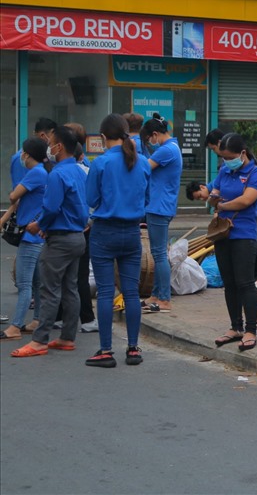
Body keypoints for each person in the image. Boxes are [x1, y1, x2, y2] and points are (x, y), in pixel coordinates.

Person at [11, 126, 89, 358]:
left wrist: (40, 225)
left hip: (61, 239)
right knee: (70, 288)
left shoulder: (57, 174)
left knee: (48, 289)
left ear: (59, 147)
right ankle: (67, 336)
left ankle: (39, 340)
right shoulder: (78, 170)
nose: (48, 147)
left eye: (51, 143)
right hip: (77, 236)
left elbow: (51, 207)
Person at [84, 114, 151, 368]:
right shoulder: (142, 162)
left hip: (104, 232)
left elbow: (91, 199)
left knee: (105, 292)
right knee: (131, 292)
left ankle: (105, 350)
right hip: (132, 232)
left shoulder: (100, 163)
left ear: (103, 137)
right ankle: (133, 349)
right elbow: (146, 198)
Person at [209, 133, 257, 353]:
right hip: (223, 233)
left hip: (244, 233)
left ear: (242, 153)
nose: (226, 162)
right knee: (229, 282)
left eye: (230, 157)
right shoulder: (224, 171)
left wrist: (221, 206)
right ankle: (236, 327)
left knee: (244, 282)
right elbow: (214, 192)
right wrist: (213, 197)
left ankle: (251, 330)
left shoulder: (256, 173)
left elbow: (247, 200)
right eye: (223, 158)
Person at [0, 138, 48, 341]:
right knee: (36, 282)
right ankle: (36, 319)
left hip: (30, 237)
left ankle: (15, 326)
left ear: (27, 155)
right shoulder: (42, 172)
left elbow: (13, 197)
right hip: (36, 235)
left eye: (23, 153)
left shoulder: (35, 173)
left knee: (24, 282)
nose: (21, 156)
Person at [140, 113, 183, 314]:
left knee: (158, 254)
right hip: (161, 205)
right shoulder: (172, 148)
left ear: (155, 134)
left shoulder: (166, 150)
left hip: (159, 207)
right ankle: (156, 295)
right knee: (160, 253)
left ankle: (164, 298)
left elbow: (143, 169)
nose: (150, 142)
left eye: (149, 138)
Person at [61, 122, 97, 333]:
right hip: (82, 229)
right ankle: (85, 319)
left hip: (65, 231)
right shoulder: (86, 170)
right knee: (77, 276)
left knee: (64, 278)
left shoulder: (60, 172)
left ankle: (61, 319)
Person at [9, 117, 56, 186]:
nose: (55, 139)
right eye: (53, 135)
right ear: (42, 135)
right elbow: (17, 190)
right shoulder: (21, 158)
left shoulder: (47, 155)